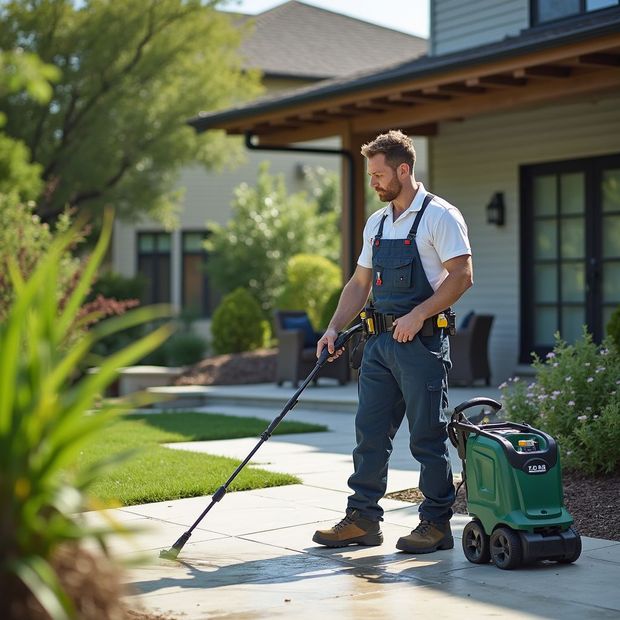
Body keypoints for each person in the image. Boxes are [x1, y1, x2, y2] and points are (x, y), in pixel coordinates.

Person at [313, 130, 473, 553]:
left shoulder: (441, 215)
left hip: (421, 345)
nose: (374, 183)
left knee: (427, 437)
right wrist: (333, 328)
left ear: (404, 169)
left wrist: (420, 312)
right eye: (370, 175)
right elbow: (359, 282)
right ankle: (363, 519)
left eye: (380, 175)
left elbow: (462, 276)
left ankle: (436, 524)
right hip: (379, 347)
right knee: (369, 434)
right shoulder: (378, 222)